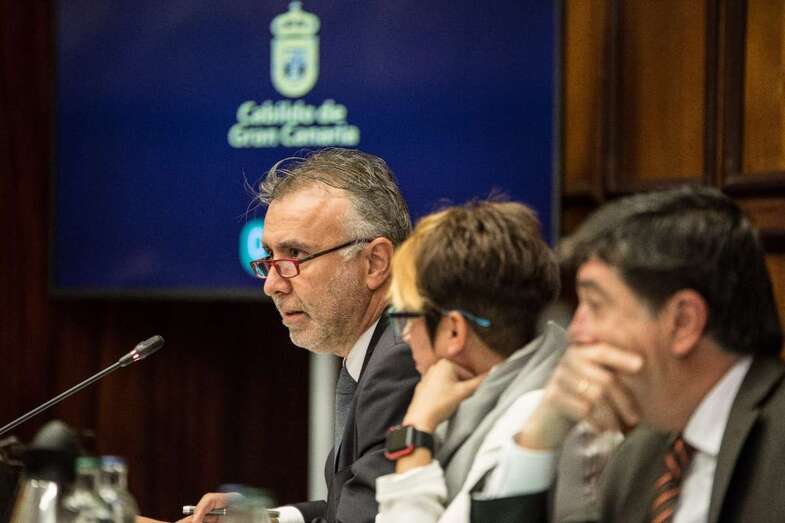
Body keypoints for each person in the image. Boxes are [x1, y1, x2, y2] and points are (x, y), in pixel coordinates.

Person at [471, 185, 785, 522]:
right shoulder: (638, 460)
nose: (576, 331)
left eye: (595, 305)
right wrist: (542, 432)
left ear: (682, 322)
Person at [188, 148, 420, 523]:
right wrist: (260, 519)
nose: (272, 286)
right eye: (269, 258)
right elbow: (352, 506)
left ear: (375, 263)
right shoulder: (380, 348)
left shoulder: (402, 360)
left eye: (295, 254)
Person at [373, 200, 566, 523]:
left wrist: (416, 429)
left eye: (406, 317)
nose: (405, 335)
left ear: (453, 331)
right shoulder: (530, 378)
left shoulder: (530, 419)